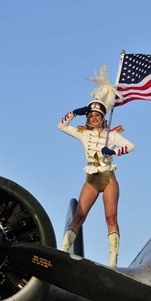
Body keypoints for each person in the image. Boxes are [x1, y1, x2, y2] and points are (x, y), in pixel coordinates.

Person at [57, 99, 135, 268]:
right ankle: (63, 249)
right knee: (79, 215)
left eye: (97, 115)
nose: (93, 118)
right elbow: (61, 126)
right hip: (91, 178)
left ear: (102, 117)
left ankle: (113, 259)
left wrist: (114, 150)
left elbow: (131, 146)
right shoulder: (83, 133)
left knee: (110, 217)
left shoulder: (111, 134)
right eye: (91, 115)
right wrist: (73, 113)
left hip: (108, 178)